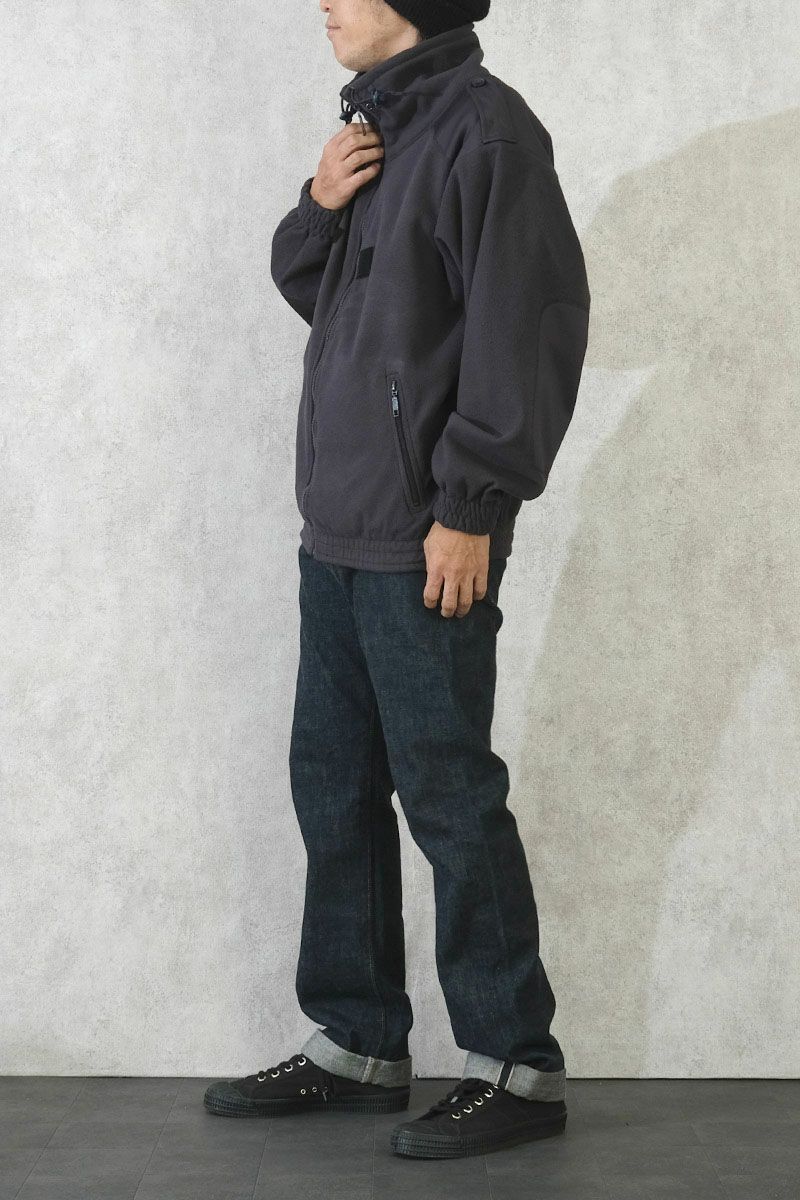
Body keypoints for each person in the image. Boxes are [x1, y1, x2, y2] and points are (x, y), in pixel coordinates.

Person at [205, 0, 590, 1160]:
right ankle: (359, 1039)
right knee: (331, 783)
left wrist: (471, 508)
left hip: (426, 534)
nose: (323, 1)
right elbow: (328, 302)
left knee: (447, 793)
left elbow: (526, 329)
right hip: (338, 526)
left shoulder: (486, 134)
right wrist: (318, 204)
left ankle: (514, 1062)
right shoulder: (377, 132)